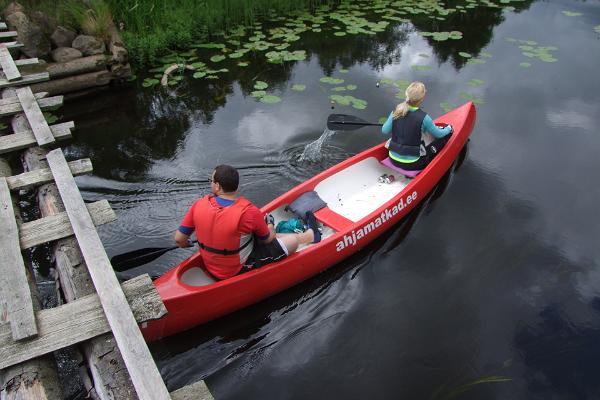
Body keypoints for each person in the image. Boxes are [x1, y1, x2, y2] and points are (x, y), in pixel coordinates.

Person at [174, 165, 321, 280]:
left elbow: (179, 240)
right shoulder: (248, 212)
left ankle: (307, 235)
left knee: (254, 235)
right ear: (235, 186)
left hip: (210, 264)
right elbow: (268, 238)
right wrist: (269, 223)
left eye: (211, 181)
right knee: (292, 241)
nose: (211, 184)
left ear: (218, 186)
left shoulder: (198, 205)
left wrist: (187, 244)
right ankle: (311, 236)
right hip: (235, 269)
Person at [381, 81, 453, 171]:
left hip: (393, 159)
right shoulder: (424, 118)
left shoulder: (396, 112)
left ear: (406, 95)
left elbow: (384, 130)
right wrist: (449, 128)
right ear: (422, 99)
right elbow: (438, 134)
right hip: (413, 164)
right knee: (444, 137)